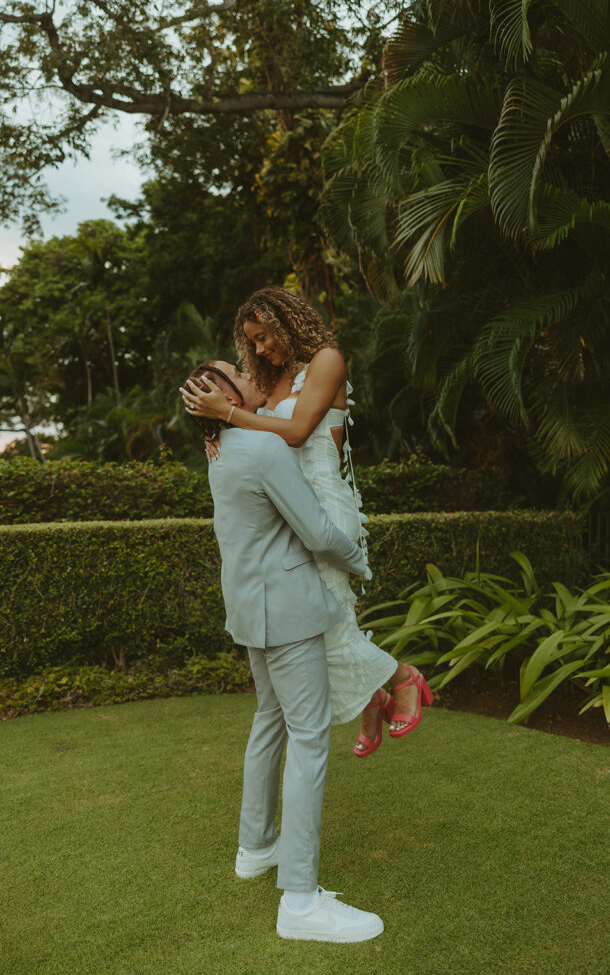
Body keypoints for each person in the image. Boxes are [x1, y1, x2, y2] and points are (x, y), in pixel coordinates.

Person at [180, 287, 433, 757]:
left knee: (329, 626)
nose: (259, 350)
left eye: (263, 337)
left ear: (286, 322)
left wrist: (228, 414)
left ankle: (404, 680)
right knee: (314, 627)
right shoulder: (272, 380)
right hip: (288, 512)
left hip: (324, 506)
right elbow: (253, 429)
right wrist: (215, 433)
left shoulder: (327, 362)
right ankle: (373, 698)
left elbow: (295, 434)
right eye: (251, 343)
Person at [185, 361, 384, 942]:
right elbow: (318, 530)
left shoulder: (219, 454)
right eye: (233, 373)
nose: (246, 373)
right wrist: (359, 559)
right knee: (309, 740)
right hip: (289, 612)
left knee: (270, 723)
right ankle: (299, 900)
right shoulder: (261, 449)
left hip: (250, 612)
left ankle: (255, 847)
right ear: (222, 396)